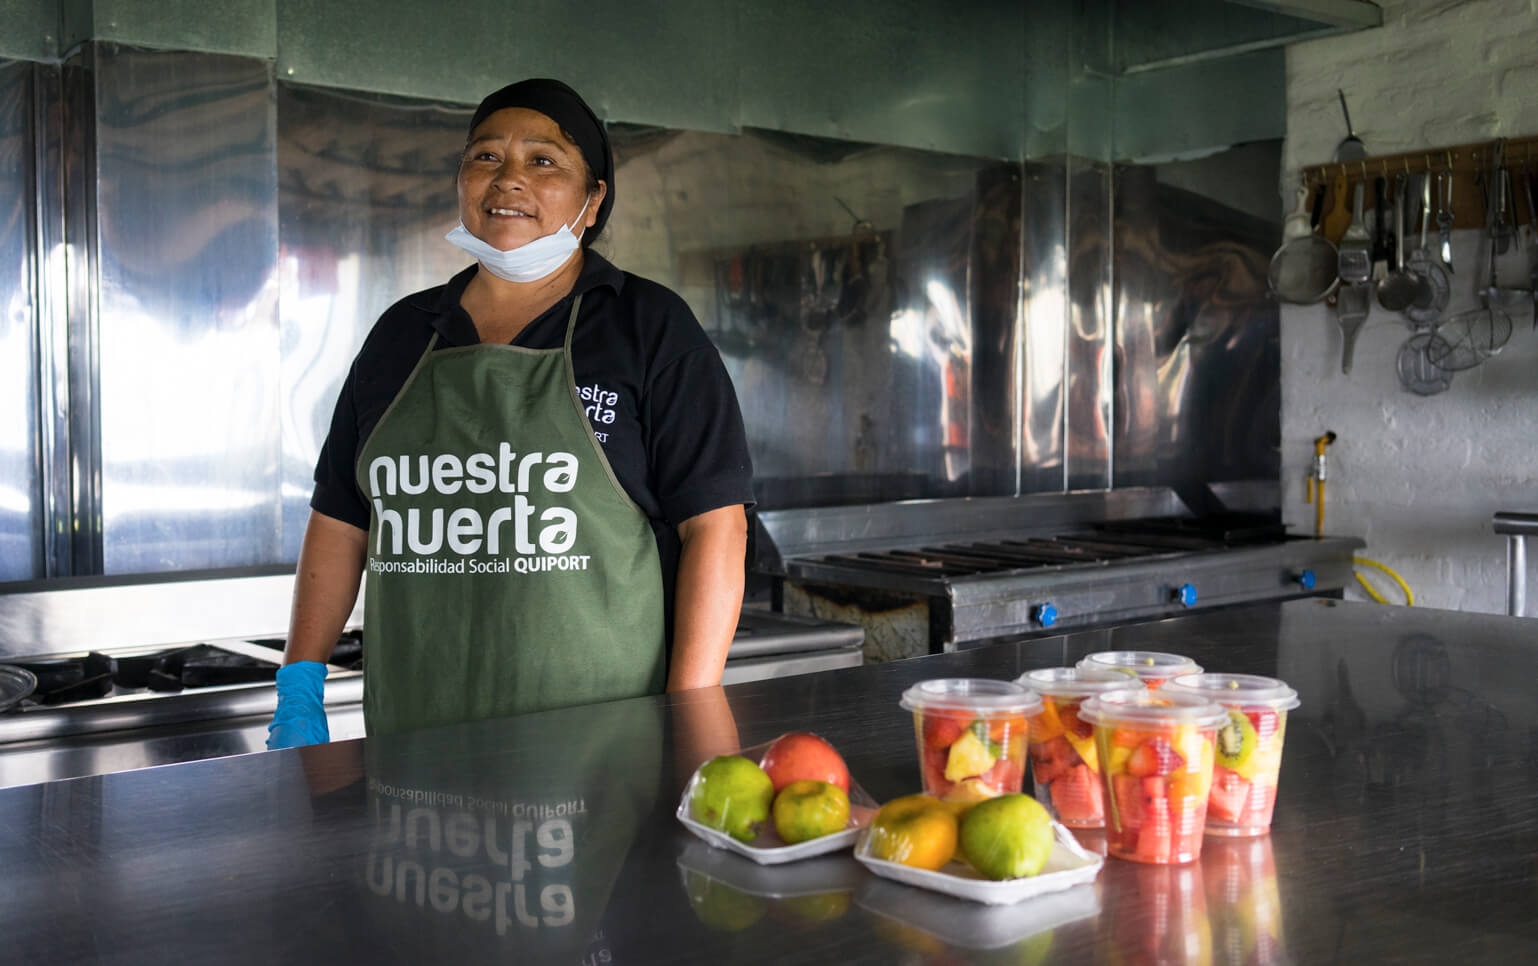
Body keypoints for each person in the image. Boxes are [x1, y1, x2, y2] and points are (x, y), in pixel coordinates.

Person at [268, 78, 754, 746]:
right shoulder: (401, 335)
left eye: (543, 160)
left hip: (601, 760)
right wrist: (300, 682)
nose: (508, 179)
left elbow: (717, 528)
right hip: (416, 753)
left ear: (593, 199)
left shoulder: (647, 327)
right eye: (486, 157)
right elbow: (340, 522)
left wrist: (687, 716)